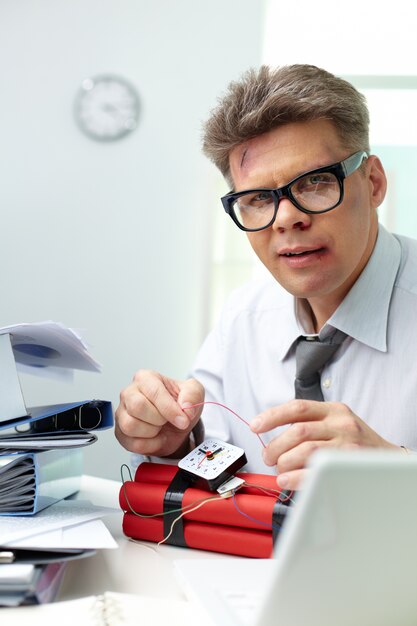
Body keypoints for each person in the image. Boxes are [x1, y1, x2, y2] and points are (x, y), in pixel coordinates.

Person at [115, 64, 417, 490]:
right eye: (258, 198)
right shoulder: (243, 316)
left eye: (314, 182)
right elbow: (211, 464)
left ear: (374, 183)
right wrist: (173, 444)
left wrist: (398, 471)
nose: (287, 219)